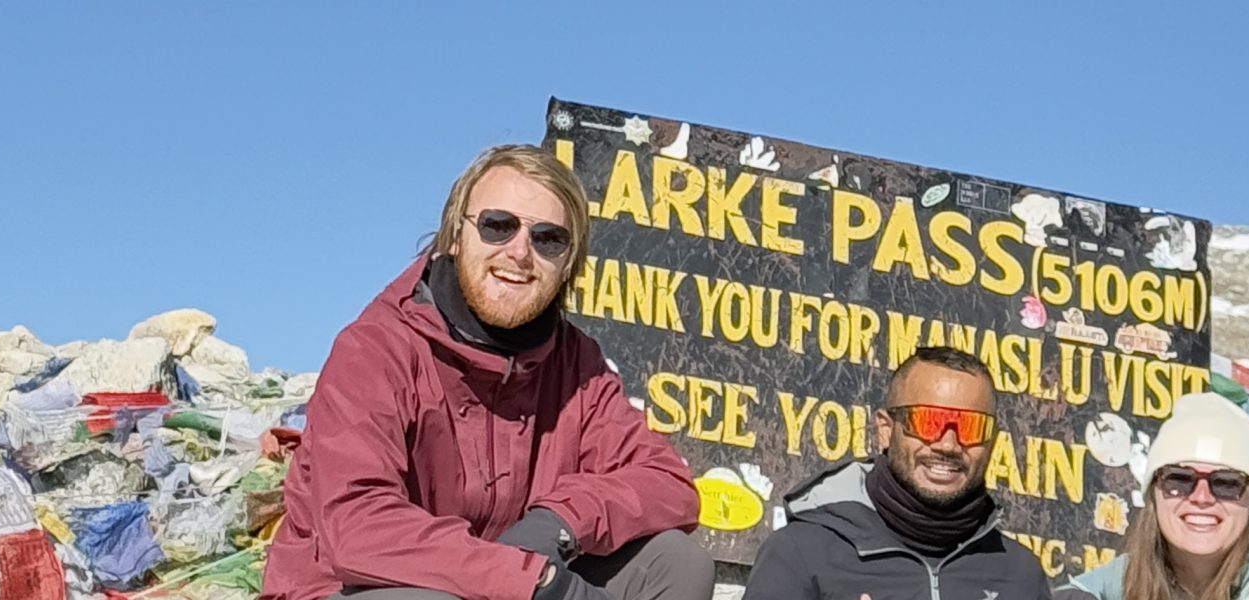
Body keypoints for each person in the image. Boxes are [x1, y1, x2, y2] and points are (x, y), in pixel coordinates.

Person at [262, 145, 712, 600]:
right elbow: (357, 529)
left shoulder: (577, 366)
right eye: (498, 226)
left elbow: (668, 483)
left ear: (568, 263)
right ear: (455, 237)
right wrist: (531, 581)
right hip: (354, 589)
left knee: (675, 563)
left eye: (548, 238)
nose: (519, 252)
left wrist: (557, 523)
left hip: (506, 578)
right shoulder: (376, 348)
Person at [742, 347, 1053, 600]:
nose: (947, 444)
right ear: (885, 429)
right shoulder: (802, 552)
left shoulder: (1021, 575)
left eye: (971, 428)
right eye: (928, 423)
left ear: (993, 440)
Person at [1054, 394, 1249, 600]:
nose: (1202, 497)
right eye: (1179, 479)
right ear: (1153, 495)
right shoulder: (1094, 594)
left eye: (1227, 483)